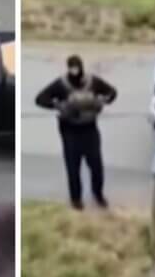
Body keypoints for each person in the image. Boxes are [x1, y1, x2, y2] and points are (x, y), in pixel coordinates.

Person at [35, 55, 117, 210]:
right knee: (73, 167)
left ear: (82, 67)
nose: (75, 71)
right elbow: (40, 99)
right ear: (68, 68)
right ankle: (76, 199)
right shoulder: (61, 84)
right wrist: (58, 105)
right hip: (69, 131)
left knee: (96, 165)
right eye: (72, 67)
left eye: (77, 67)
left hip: (90, 129)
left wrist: (102, 101)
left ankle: (98, 194)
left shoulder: (93, 82)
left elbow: (112, 92)